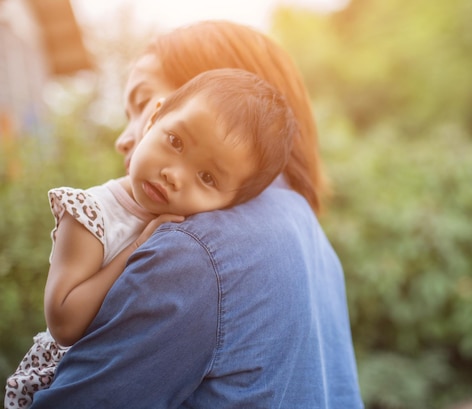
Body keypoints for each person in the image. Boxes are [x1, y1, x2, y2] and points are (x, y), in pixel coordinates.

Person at [30, 20, 363, 408]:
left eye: (141, 103)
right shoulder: (310, 234)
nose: (125, 137)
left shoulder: (193, 250)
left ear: (219, 91)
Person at [5, 68, 297, 409]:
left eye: (206, 177)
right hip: (61, 377)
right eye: (176, 141)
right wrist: (137, 248)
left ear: (229, 205)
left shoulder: (196, 237)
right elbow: (64, 322)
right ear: (154, 118)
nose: (173, 174)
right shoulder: (91, 212)